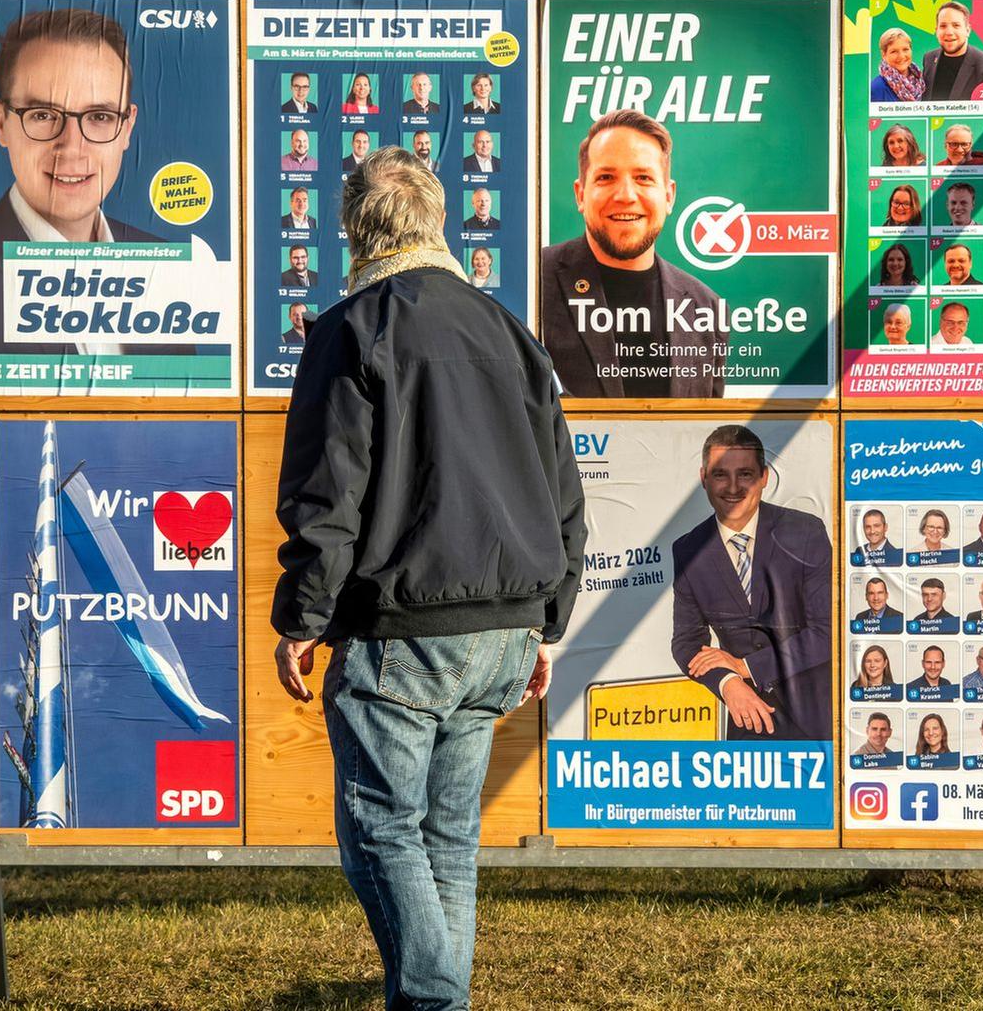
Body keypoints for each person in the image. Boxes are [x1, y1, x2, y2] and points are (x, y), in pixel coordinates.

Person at [271, 146, 585, 1011]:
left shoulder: (352, 328)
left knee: (380, 828)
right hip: (505, 627)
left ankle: (436, 1002)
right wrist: (545, 622)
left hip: (405, 631)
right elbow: (563, 487)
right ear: (439, 221)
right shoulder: (505, 327)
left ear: (350, 230)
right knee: (445, 835)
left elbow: (325, 493)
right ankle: (439, 998)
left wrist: (302, 618)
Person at [0, 8, 165, 357]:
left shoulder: (166, 273)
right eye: (44, 115)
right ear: (1, 123)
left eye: (99, 116)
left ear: (127, 128)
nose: (71, 146)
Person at [541, 109, 723, 398]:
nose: (625, 195)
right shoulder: (533, 282)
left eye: (643, 177)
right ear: (580, 194)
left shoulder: (706, 307)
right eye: (606, 177)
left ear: (669, 195)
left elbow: (705, 435)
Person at [671, 425, 833, 740]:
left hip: (818, 722)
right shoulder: (687, 550)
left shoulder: (805, 532)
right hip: (747, 724)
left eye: (745, 474)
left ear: (764, 477)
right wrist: (728, 683)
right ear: (703, 478)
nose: (733, 487)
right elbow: (687, 642)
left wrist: (747, 666)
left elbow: (827, 632)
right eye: (720, 475)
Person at [921, 1, 983, 102]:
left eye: (956, 25)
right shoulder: (929, 58)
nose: (949, 32)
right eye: (943, 26)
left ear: (967, 30)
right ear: (936, 31)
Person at [871, 27, 925, 103]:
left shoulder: (923, 82)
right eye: (894, 51)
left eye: (905, 49)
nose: (901, 56)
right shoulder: (876, 88)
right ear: (883, 54)